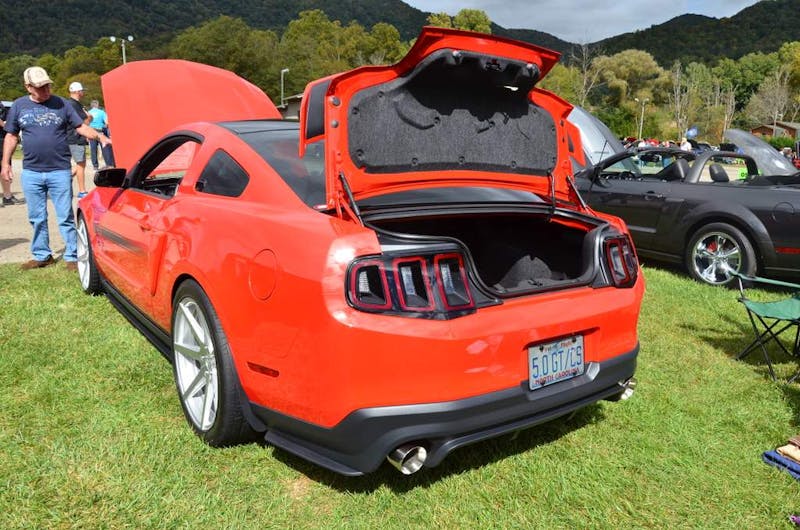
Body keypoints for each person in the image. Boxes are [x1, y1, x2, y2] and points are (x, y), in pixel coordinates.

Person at [1, 66, 111, 271]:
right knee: (36, 216)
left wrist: (100, 136)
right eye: (40, 87)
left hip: (59, 170)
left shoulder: (61, 103)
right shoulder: (18, 106)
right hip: (31, 172)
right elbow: (11, 136)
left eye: (48, 86)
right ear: (28, 87)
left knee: (65, 215)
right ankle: (42, 255)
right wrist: (5, 163)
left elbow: (80, 126)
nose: (46, 90)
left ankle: (72, 255)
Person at [65, 81, 90, 198]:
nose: (83, 92)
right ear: (77, 91)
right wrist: (89, 117)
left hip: (69, 136)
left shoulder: (67, 103)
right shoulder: (75, 104)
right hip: (76, 137)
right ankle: (82, 190)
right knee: (80, 164)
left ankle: (65, 179)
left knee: (80, 164)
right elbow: (83, 122)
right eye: (81, 90)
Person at [0, 102, 25, 207]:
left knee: (5, 167)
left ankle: (7, 196)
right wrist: (6, 125)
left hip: (2, 138)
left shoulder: (1, 104)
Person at [87, 99, 115, 169]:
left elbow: (86, 124)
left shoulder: (88, 112)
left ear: (91, 106)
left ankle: (95, 166)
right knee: (104, 148)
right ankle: (108, 163)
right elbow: (107, 122)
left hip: (91, 132)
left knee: (93, 149)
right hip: (100, 131)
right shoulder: (102, 112)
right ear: (97, 105)